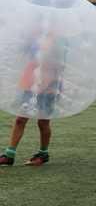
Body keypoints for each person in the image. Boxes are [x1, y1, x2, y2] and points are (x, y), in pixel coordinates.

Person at [0, 31, 66, 167]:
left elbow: (60, 64)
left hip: (49, 84)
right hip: (30, 82)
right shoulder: (33, 34)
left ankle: (43, 153)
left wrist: (51, 84)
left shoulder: (58, 39)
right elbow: (21, 53)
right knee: (20, 119)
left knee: (43, 122)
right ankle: (9, 155)